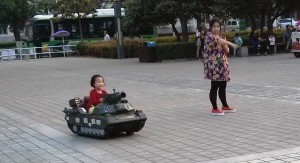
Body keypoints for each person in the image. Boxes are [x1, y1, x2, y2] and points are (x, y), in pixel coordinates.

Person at [203, 18, 238, 116]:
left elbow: (226, 51)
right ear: (210, 27)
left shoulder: (220, 36)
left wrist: (226, 46)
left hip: (222, 65)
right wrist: (230, 43)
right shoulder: (209, 36)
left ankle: (225, 106)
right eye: (214, 26)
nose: (216, 28)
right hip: (214, 66)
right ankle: (214, 108)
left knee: (223, 86)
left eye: (218, 26)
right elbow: (218, 41)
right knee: (214, 86)